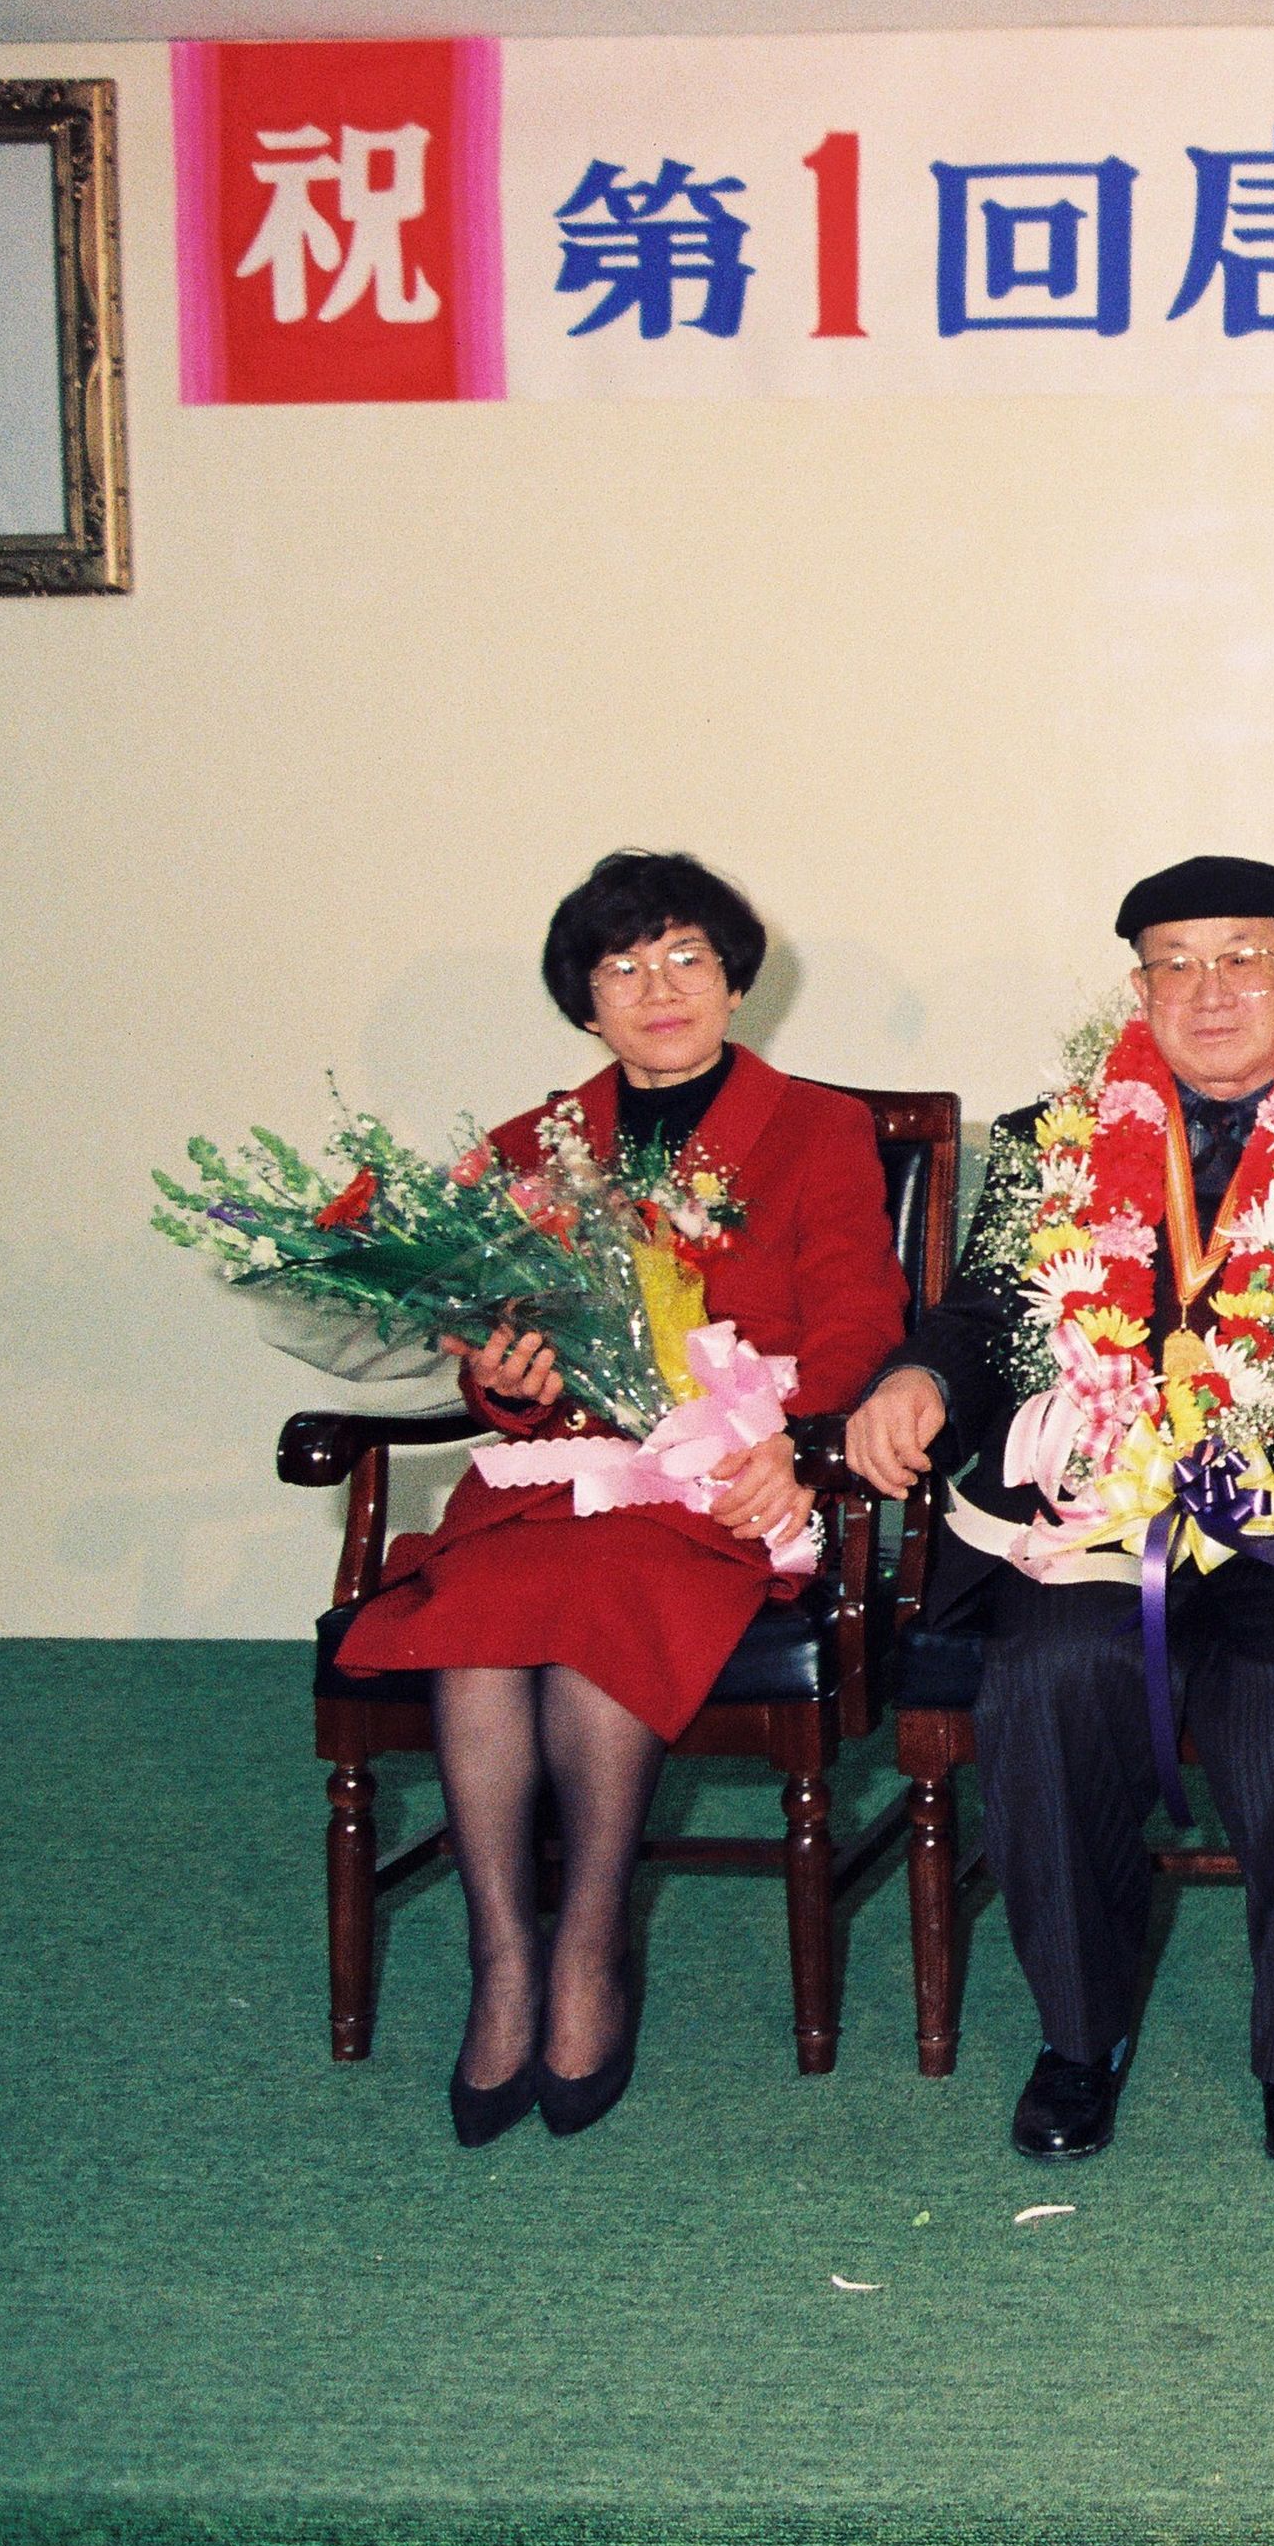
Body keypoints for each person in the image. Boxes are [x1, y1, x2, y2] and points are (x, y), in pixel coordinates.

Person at [843, 857, 1274, 2170]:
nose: (1211, 992)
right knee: (1048, 1669)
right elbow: (979, 1317)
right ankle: (1079, 2037)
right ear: (1139, 988)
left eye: (1243, 958)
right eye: (1176, 965)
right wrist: (920, 1378)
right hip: (1095, 1504)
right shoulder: (1052, 1137)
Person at [333, 850, 909, 2144]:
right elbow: (494, 1367)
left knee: (603, 1608)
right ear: (585, 1005)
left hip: (719, 1484)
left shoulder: (816, 1131)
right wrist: (502, 1374)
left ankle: (590, 1945)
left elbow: (860, 1324)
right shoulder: (529, 1151)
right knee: (482, 1620)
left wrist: (794, 1438)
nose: (661, 990)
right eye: (623, 967)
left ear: (735, 981)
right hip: (552, 1484)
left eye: (687, 958)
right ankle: (503, 1957)